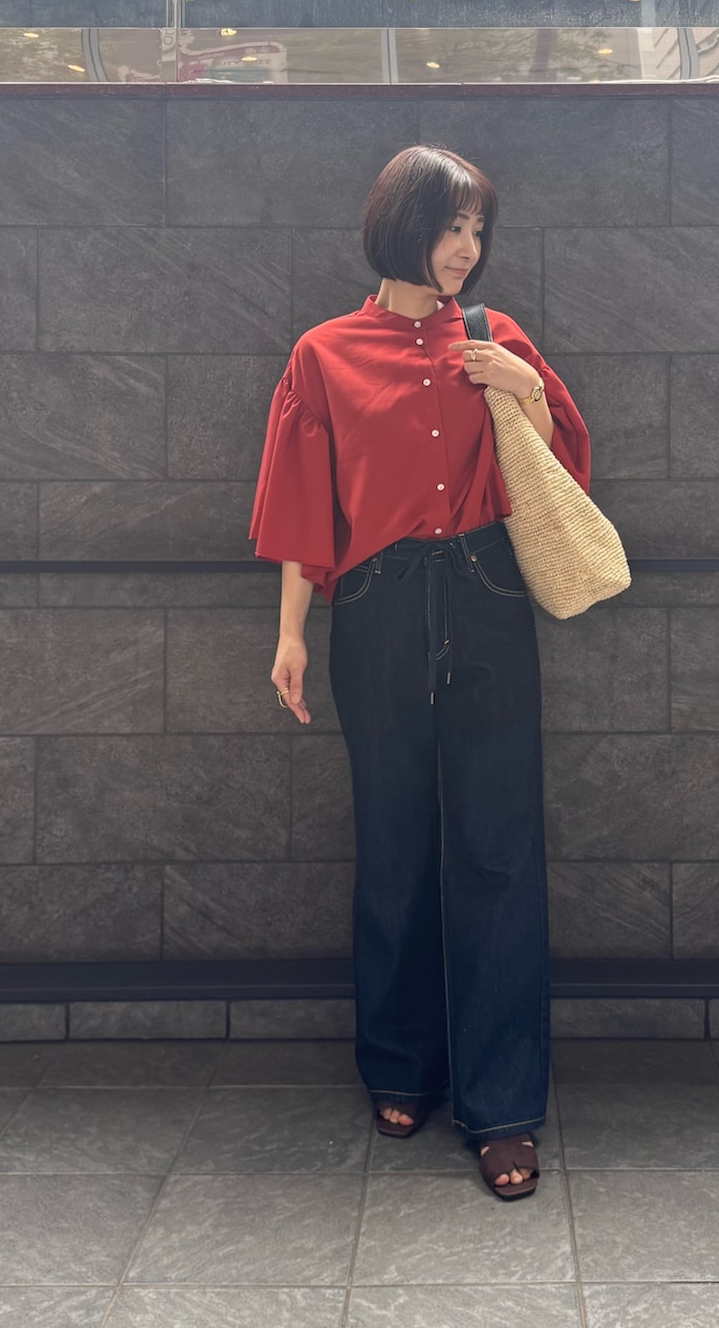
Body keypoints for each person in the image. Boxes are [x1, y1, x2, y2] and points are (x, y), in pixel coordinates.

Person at [248, 144, 590, 1200]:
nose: (465, 248)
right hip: (378, 605)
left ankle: (504, 1104)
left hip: (487, 595)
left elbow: (563, 470)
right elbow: (303, 506)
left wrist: (525, 389)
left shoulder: (497, 337)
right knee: (393, 844)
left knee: (497, 849)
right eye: (450, 226)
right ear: (401, 224)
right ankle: (399, 1064)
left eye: (477, 229)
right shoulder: (324, 354)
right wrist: (292, 635)